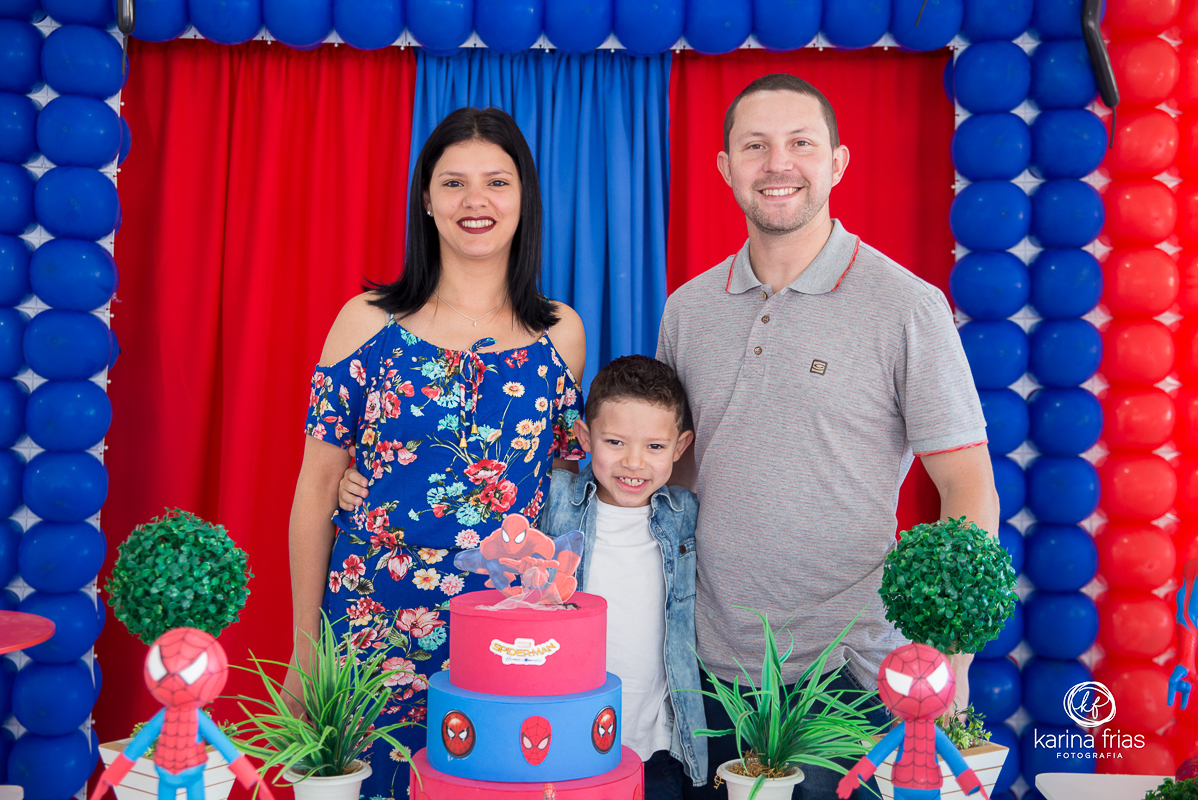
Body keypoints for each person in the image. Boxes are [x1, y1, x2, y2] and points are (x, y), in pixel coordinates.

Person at [657, 74, 999, 800]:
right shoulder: (686, 312)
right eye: (755, 146)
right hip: (707, 671)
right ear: (725, 167)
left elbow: (968, 488)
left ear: (838, 163)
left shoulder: (906, 305)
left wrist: (950, 651)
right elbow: (674, 478)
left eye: (800, 144)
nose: (778, 163)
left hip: (848, 675)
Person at [289, 106, 586, 800]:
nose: (474, 201)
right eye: (452, 183)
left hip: (504, 639)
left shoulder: (559, 334)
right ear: (426, 199)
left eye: (496, 182)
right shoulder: (367, 321)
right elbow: (313, 491)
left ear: (524, 198)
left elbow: (565, 494)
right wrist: (305, 644)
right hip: (368, 630)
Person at [340, 355, 709, 800]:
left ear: (681, 445)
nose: (634, 462)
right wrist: (361, 487)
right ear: (584, 437)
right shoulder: (553, 498)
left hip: (657, 750)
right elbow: (468, 489)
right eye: (614, 441)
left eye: (654, 447)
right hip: (556, 745)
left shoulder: (687, 514)